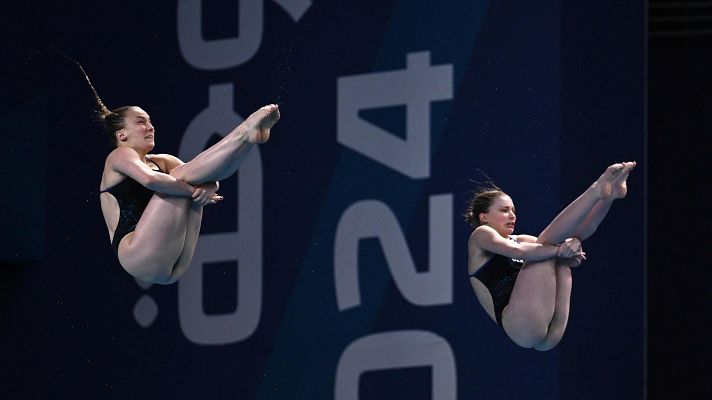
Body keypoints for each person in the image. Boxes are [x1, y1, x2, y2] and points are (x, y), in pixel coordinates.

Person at [85, 68, 280, 285]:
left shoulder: (162, 160)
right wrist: (192, 190)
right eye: (141, 122)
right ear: (121, 135)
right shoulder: (119, 156)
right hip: (136, 254)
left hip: (173, 264)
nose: (150, 127)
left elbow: (209, 176)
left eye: (150, 121)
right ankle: (244, 131)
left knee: (183, 175)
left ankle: (249, 139)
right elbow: (150, 180)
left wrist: (208, 187)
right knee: (178, 178)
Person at [465, 161, 636, 350]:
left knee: (558, 247)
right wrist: (559, 250)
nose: (512, 215)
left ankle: (608, 196)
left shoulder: (521, 239)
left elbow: (567, 254)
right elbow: (519, 252)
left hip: (548, 332)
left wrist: (571, 250)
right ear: (484, 217)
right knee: (547, 245)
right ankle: (596, 190)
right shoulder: (481, 235)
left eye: (513, 210)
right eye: (504, 211)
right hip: (520, 325)